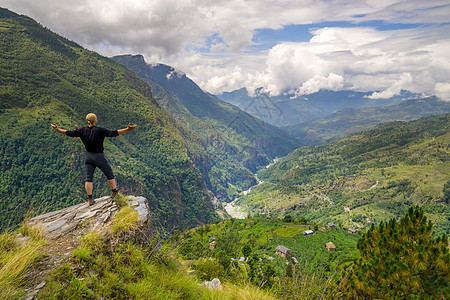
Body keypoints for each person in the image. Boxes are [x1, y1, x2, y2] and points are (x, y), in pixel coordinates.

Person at [51, 113, 137, 206]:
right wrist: (127, 129)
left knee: (89, 178)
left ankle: (90, 198)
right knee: (109, 174)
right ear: (95, 121)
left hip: (88, 157)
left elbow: (69, 133)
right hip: (99, 156)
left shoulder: (81, 130)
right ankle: (114, 193)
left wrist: (57, 129)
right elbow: (114, 133)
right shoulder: (100, 130)